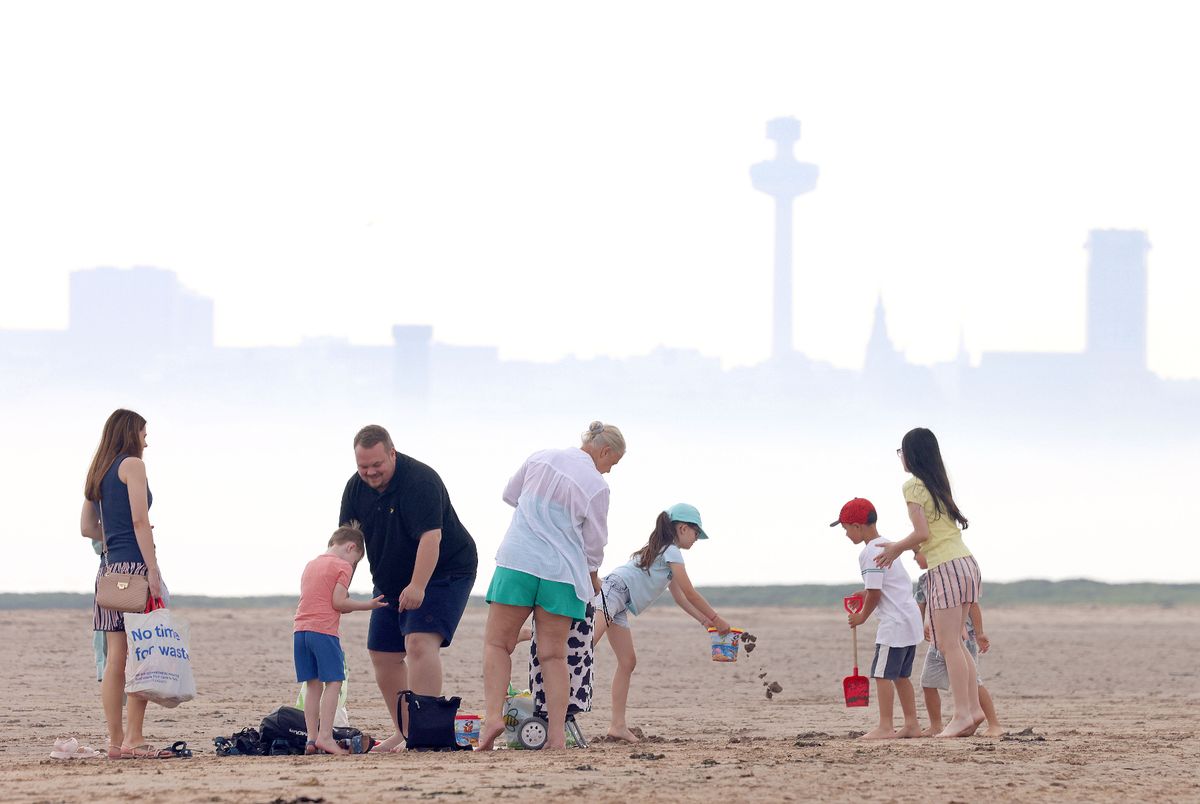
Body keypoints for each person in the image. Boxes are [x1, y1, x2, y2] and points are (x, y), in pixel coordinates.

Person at [479, 420, 626, 751]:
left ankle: (492, 718)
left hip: (518, 560)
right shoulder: (596, 486)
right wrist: (592, 577)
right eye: (611, 464)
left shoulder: (541, 457)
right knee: (554, 656)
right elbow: (594, 543)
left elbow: (509, 495)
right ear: (604, 451)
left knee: (498, 645)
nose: (609, 472)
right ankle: (557, 736)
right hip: (562, 572)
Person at [339, 424, 479, 753]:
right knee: (383, 654)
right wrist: (339, 589)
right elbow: (348, 545)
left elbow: (432, 538)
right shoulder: (355, 489)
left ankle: (427, 734)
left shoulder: (421, 481)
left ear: (392, 453)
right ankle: (407, 732)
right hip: (390, 579)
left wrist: (418, 586)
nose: (370, 472)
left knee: (417, 641)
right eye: (363, 467)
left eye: (377, 465)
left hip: (446, 571)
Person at [874, 427, 983, 738]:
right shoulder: (938, 486)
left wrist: (896, 548)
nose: (901, 458)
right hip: (966, 564)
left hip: (947, 567)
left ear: (911, 455)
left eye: (901, 452)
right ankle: (972, 710)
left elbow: (921, 533)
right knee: (957, 643)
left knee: (949, 644)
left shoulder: (913, 486)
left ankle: (962, 713)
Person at [591, 503, 731, 743]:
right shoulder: (671, 552)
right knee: (582, 646)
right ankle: (532, 637)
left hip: (620, 602)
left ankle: (617, 726)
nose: (697, 539)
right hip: (613, 592)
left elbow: (679, 597)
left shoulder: (665, 554)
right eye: (697, 533)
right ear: (683, 528)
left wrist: (705, 622)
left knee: (627, 661)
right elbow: (691, 592)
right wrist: (718, 620)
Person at [80, 409, 165, 760]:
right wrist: (153, 568)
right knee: (142, 654)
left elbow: (87, 528)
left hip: (108, 571)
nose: (147, 439)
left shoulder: (98, 470)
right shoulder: (133, 465)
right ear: (132, 433)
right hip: (135, 568)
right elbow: (139, 520)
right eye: (145, 433)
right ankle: (136, 738)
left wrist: (112, 536)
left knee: (116, 657)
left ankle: (115, 742)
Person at [832, 497, 923, 740]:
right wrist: (866, 592)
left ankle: (885, 726)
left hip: (893, 623)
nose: (845, 534)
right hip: (909, 619)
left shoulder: (869, 552)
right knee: (901, 676)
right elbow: (883, 586)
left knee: (882, 674)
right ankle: (912, 724)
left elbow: (875, 592)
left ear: (858, 526)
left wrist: (861, 617)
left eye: (846, 528)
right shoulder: (888, 545)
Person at [294, 523, 386, 755]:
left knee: (312, 685)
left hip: (301, 630)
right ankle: (326, 736)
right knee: (334, 682)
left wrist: (344, 606)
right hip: (324, 632)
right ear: (351, 547)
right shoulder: (342, 566)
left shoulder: (311, 564)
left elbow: (322, 600)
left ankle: (311, 739)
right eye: (355, 560)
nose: (352, 565)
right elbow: (338, 602)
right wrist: (369, 605)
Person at [912, 549, 1003, 737]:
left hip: (964, 637)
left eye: (916, 553)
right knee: (927, 682)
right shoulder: (924, 580)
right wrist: (922, 625)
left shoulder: (952, 575)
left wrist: (979, 633)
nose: (914, 558)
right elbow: (921, 606)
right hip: (938, 640)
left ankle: (993, 723)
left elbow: (973, 606)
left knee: (974, 682)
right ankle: (936, 724)